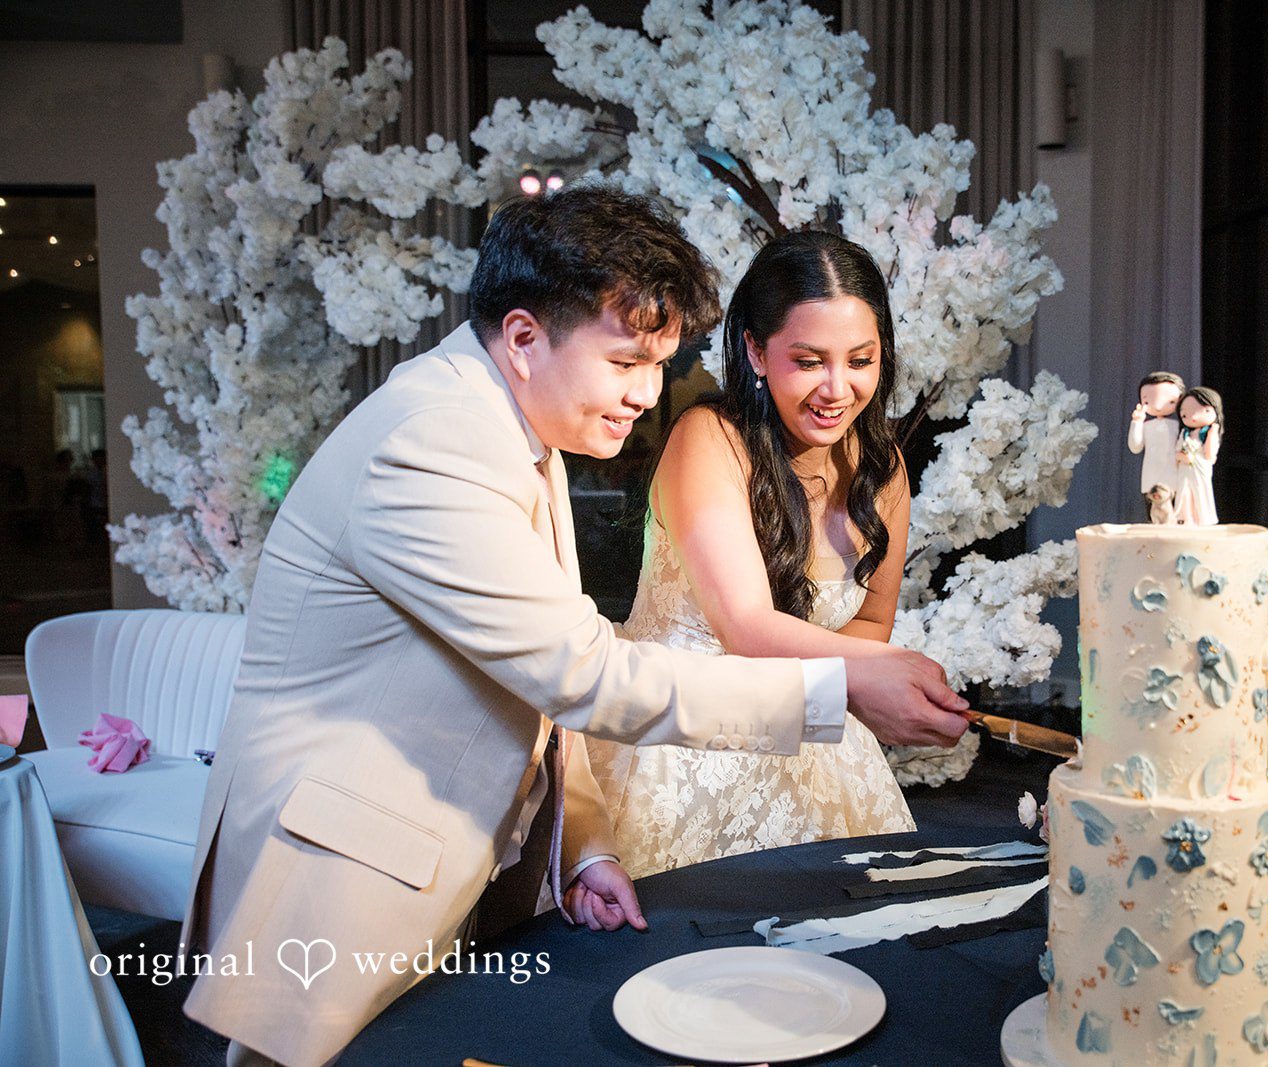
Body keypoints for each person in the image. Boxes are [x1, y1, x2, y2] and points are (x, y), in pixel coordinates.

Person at [180, 188, 969, 1067]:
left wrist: (585, 846)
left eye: (660, 363)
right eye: (629, 360)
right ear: (523, 338)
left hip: (448, 860)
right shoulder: (433, 442)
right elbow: (584, 672)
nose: (647, 393)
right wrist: (844, 683)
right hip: (345, 879)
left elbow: (530, 678)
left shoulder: (517, 429)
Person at [587, 231, 919, 877]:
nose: (837, 387)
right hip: (678, 743)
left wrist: (895, 678)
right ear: (756, 352)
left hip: (813, 736)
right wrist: (894, 670)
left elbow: (872, 625)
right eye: (808, 360)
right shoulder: (708, 437)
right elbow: (746, 626)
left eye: (860, 360)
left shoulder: (883, 469)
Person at [1127, 371, 1185, 522]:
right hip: (1150, 477)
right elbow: (1135, 446)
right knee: (1153, 516)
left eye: (1169, 401)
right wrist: (1137, 423)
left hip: (1174, 477)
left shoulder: (1178, 426)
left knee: (1173, 514)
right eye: (1148, 400)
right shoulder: (1147, 426)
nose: (1158, 405)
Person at [1172, 385, 1224, 526]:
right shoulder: (1184, 433)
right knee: (1185, 493)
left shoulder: (1209, 433)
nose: (1193, 417)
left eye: (1204, 410)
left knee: (1200, 492)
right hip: (1185, 468)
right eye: (1185, 414)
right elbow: (1177, 451)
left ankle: (1202, 519)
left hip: (1200, 467)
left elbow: (1209, 455)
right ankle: (1186, 518)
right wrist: (1182, 457)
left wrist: (1212, 434)